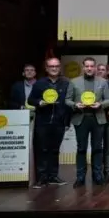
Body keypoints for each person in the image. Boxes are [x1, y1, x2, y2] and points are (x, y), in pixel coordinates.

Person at [65, 57, 109, 188]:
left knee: (97, 148)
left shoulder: (103, 81)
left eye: (92, 66)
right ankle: (80, 177)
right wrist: (75, 104)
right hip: (81, 118)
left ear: (95, 67)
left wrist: (100, 104)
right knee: (81, 148)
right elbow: (67, 100)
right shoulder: (74, 82)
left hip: (98, 118)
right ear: (83, 67)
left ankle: (97, 175)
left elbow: (108, 100)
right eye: (87, 66)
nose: (90, 68)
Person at [27, 58, 70, 188]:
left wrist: (67, 121)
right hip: (42, 122)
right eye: (51, 66)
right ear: (46, 68)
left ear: (60, 67)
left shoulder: (66, 83)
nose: (54, 68)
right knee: (42, 150)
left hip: (59, 122)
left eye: (56, 66)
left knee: (55, 150)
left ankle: (53, 176)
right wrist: (40, 102)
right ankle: (41, 178)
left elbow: (68, 104)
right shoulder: (39, 83)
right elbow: (30, 100)